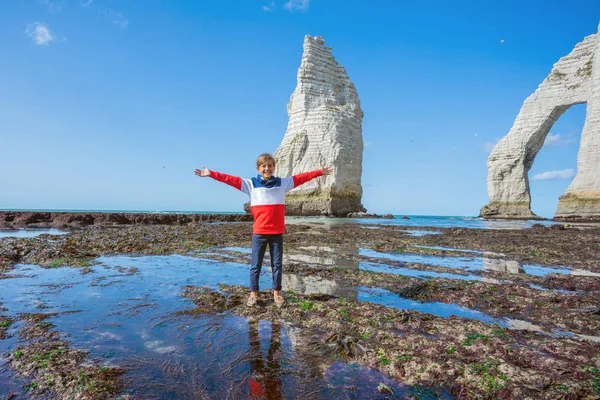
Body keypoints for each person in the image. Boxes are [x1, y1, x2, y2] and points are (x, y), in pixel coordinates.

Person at [194, 153, 332, 307]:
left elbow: (301, 178)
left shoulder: (282, 183)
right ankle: (253, 294)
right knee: (255, 265)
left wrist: (319, 172)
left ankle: (277, 294)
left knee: (277, 265)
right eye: (263, 166)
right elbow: (230, 180)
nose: (267, 169)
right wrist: (211, 174)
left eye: (270, 166)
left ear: (274, 167)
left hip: (277, 233)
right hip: (259, 233)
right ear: (258, 168)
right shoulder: (250, 184)